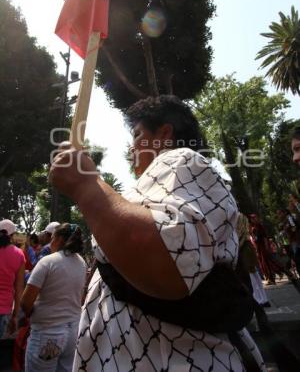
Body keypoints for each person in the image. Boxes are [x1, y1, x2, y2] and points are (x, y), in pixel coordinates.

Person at [49, 95, 266, 372]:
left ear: (164, 134)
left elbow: (169, 258)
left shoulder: (181, 159)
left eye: (137, 135)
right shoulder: (156, 187)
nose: (131, 148)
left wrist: (85, 186)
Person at [21, 223, 87, 372]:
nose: (50, 241)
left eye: (53, 237)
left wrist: (33, 313)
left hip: (47, 334)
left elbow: (25, 302)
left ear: (59, 239)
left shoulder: (48, 262)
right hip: (72, 333)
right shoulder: (82, 263)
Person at [0, 219, 25, 339]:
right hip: (4, 308)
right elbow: (19, 288)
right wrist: (15, 316)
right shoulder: (19, 254)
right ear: (12, 235)